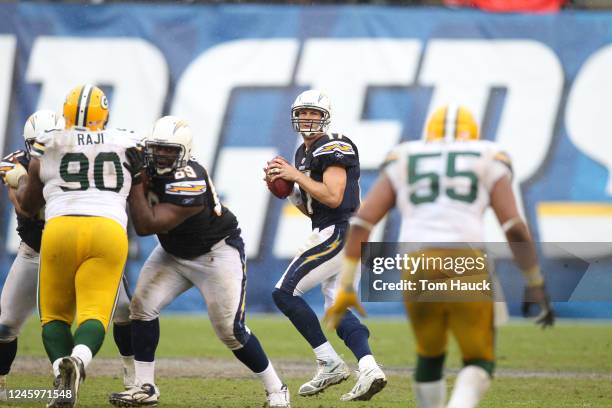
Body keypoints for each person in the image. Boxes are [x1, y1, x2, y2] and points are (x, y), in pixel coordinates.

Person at [325, 104, 555, 408]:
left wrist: (346, 285)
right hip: (465, 262)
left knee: (429, 355)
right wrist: (534, 280)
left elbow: (362, 223)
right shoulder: (487, 155)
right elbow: (514, 227)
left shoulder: (405, 156)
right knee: (479, 361)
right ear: (472, 136)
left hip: (417, 264)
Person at [108, 116, 290, 408]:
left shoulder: (190, 180)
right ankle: (145, 386)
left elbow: (145, 225)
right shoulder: (145, 162)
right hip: (173, 252)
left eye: (170, 150)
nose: (161, 155)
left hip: (215, 253)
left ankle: (277, 389)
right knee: (141, 308)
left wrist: (137, 179)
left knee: (230, 331)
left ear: (185, 152)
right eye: (157, 148)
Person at [10, 85, 141, 408]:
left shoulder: (49, 142)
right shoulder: (127, 141)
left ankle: (61, 374)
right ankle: (79, 361)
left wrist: (18, 183)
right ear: (105, 115)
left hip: (60, 229)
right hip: (108, 229)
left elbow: (28, 206)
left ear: (65, 114)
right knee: (94, 313)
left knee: (54, 315)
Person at [265, 90, 386, 401]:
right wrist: (288, 190)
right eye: (303, 112)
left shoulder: (332, 145)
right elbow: (313, 206)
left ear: (325, 117)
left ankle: (329, 362)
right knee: (337, 308)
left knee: (284, 292)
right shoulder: (303, 154)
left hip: (339, 231)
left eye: (313, 113)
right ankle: (370, 368)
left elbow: (333, 196)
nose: (307, 118)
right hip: (336, 228)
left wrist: (294, 175)